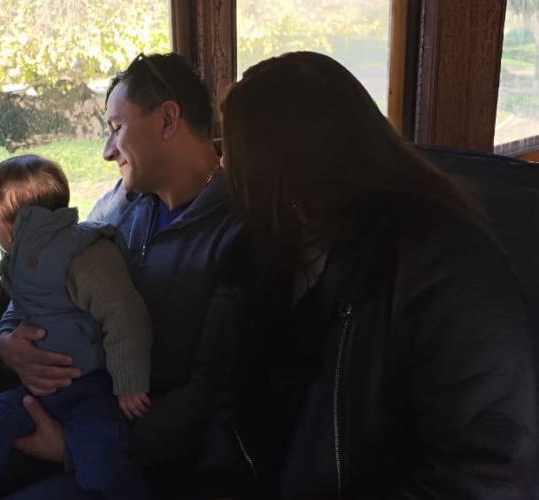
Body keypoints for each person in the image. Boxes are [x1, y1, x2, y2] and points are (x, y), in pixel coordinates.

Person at [222, 51, 538, 499]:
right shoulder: (280, 252)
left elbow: (487, 473)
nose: (223, 170)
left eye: (233, 153)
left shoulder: (445, 261)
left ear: (282, 163)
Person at [0, 53, 248, 498]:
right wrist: (6, 343)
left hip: (150, 462)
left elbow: (210, 399)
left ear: (167, 119)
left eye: (116, 128)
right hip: (76, 411)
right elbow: (46, 277)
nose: (106, 152)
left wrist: (76, 448)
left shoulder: (237, 234)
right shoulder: (120, 205)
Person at [0, 155, 152, 500]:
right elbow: (20, 307)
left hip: (94, 386)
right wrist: (5, 339)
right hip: (44, 394)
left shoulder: (86, 254)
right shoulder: (23, 265)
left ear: (5, 227)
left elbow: (125, 315)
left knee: (101, 451)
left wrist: (129, 384)